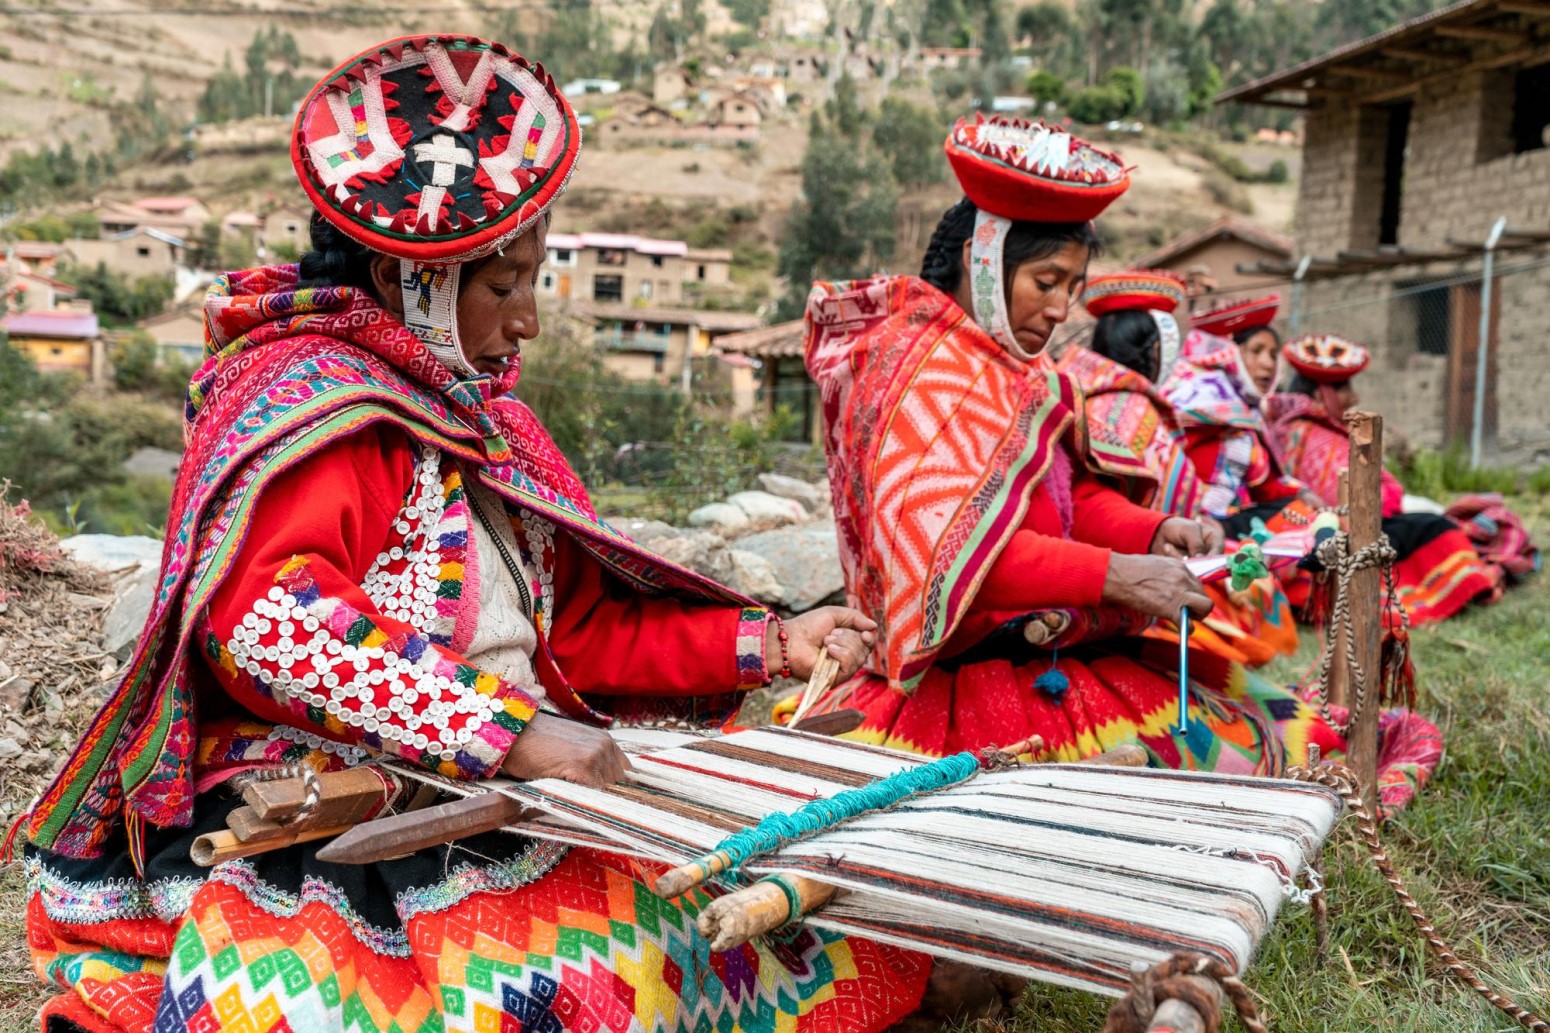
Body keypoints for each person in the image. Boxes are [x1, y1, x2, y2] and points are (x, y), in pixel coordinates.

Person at [20, 36, 930, 1033]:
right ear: (413, 279)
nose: (528, 322)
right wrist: (514, 735)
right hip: (339, 803)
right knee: (574, 982)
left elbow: (575, 634)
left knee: (786, 918)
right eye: (505, 286)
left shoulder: (478, 426)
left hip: (501, 782)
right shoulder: (320, 408)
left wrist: (770, 640)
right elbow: (265, 627)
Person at [799, 114, 1356, 773]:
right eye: (1046, 282)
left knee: (1290, 742)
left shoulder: (1027, 376)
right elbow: (955, 557)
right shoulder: (914, 372)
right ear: (984, 267)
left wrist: (1152, 531)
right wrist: (1116, 577)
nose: (1062, 310)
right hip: (957, 683)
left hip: (1055, 651)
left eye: (1072, 287)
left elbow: (1069, 496)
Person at [1061, 272, 1297, 667]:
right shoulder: (1136, 410)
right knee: (1253, 582)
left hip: (1120, 557)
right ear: (1156, 350)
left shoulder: (1085, 397)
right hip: (1133, 571)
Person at [1269, 334, 1502, 624]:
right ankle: (1454, 585)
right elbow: (1358, 504)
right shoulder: (1308, 433)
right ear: (1320, 395)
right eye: (1344, 389)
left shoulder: (1297, 429)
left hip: (1339, 526)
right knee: (1435, 527)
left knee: (1428, 521)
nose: (1353, 398)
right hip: (1337, 532)